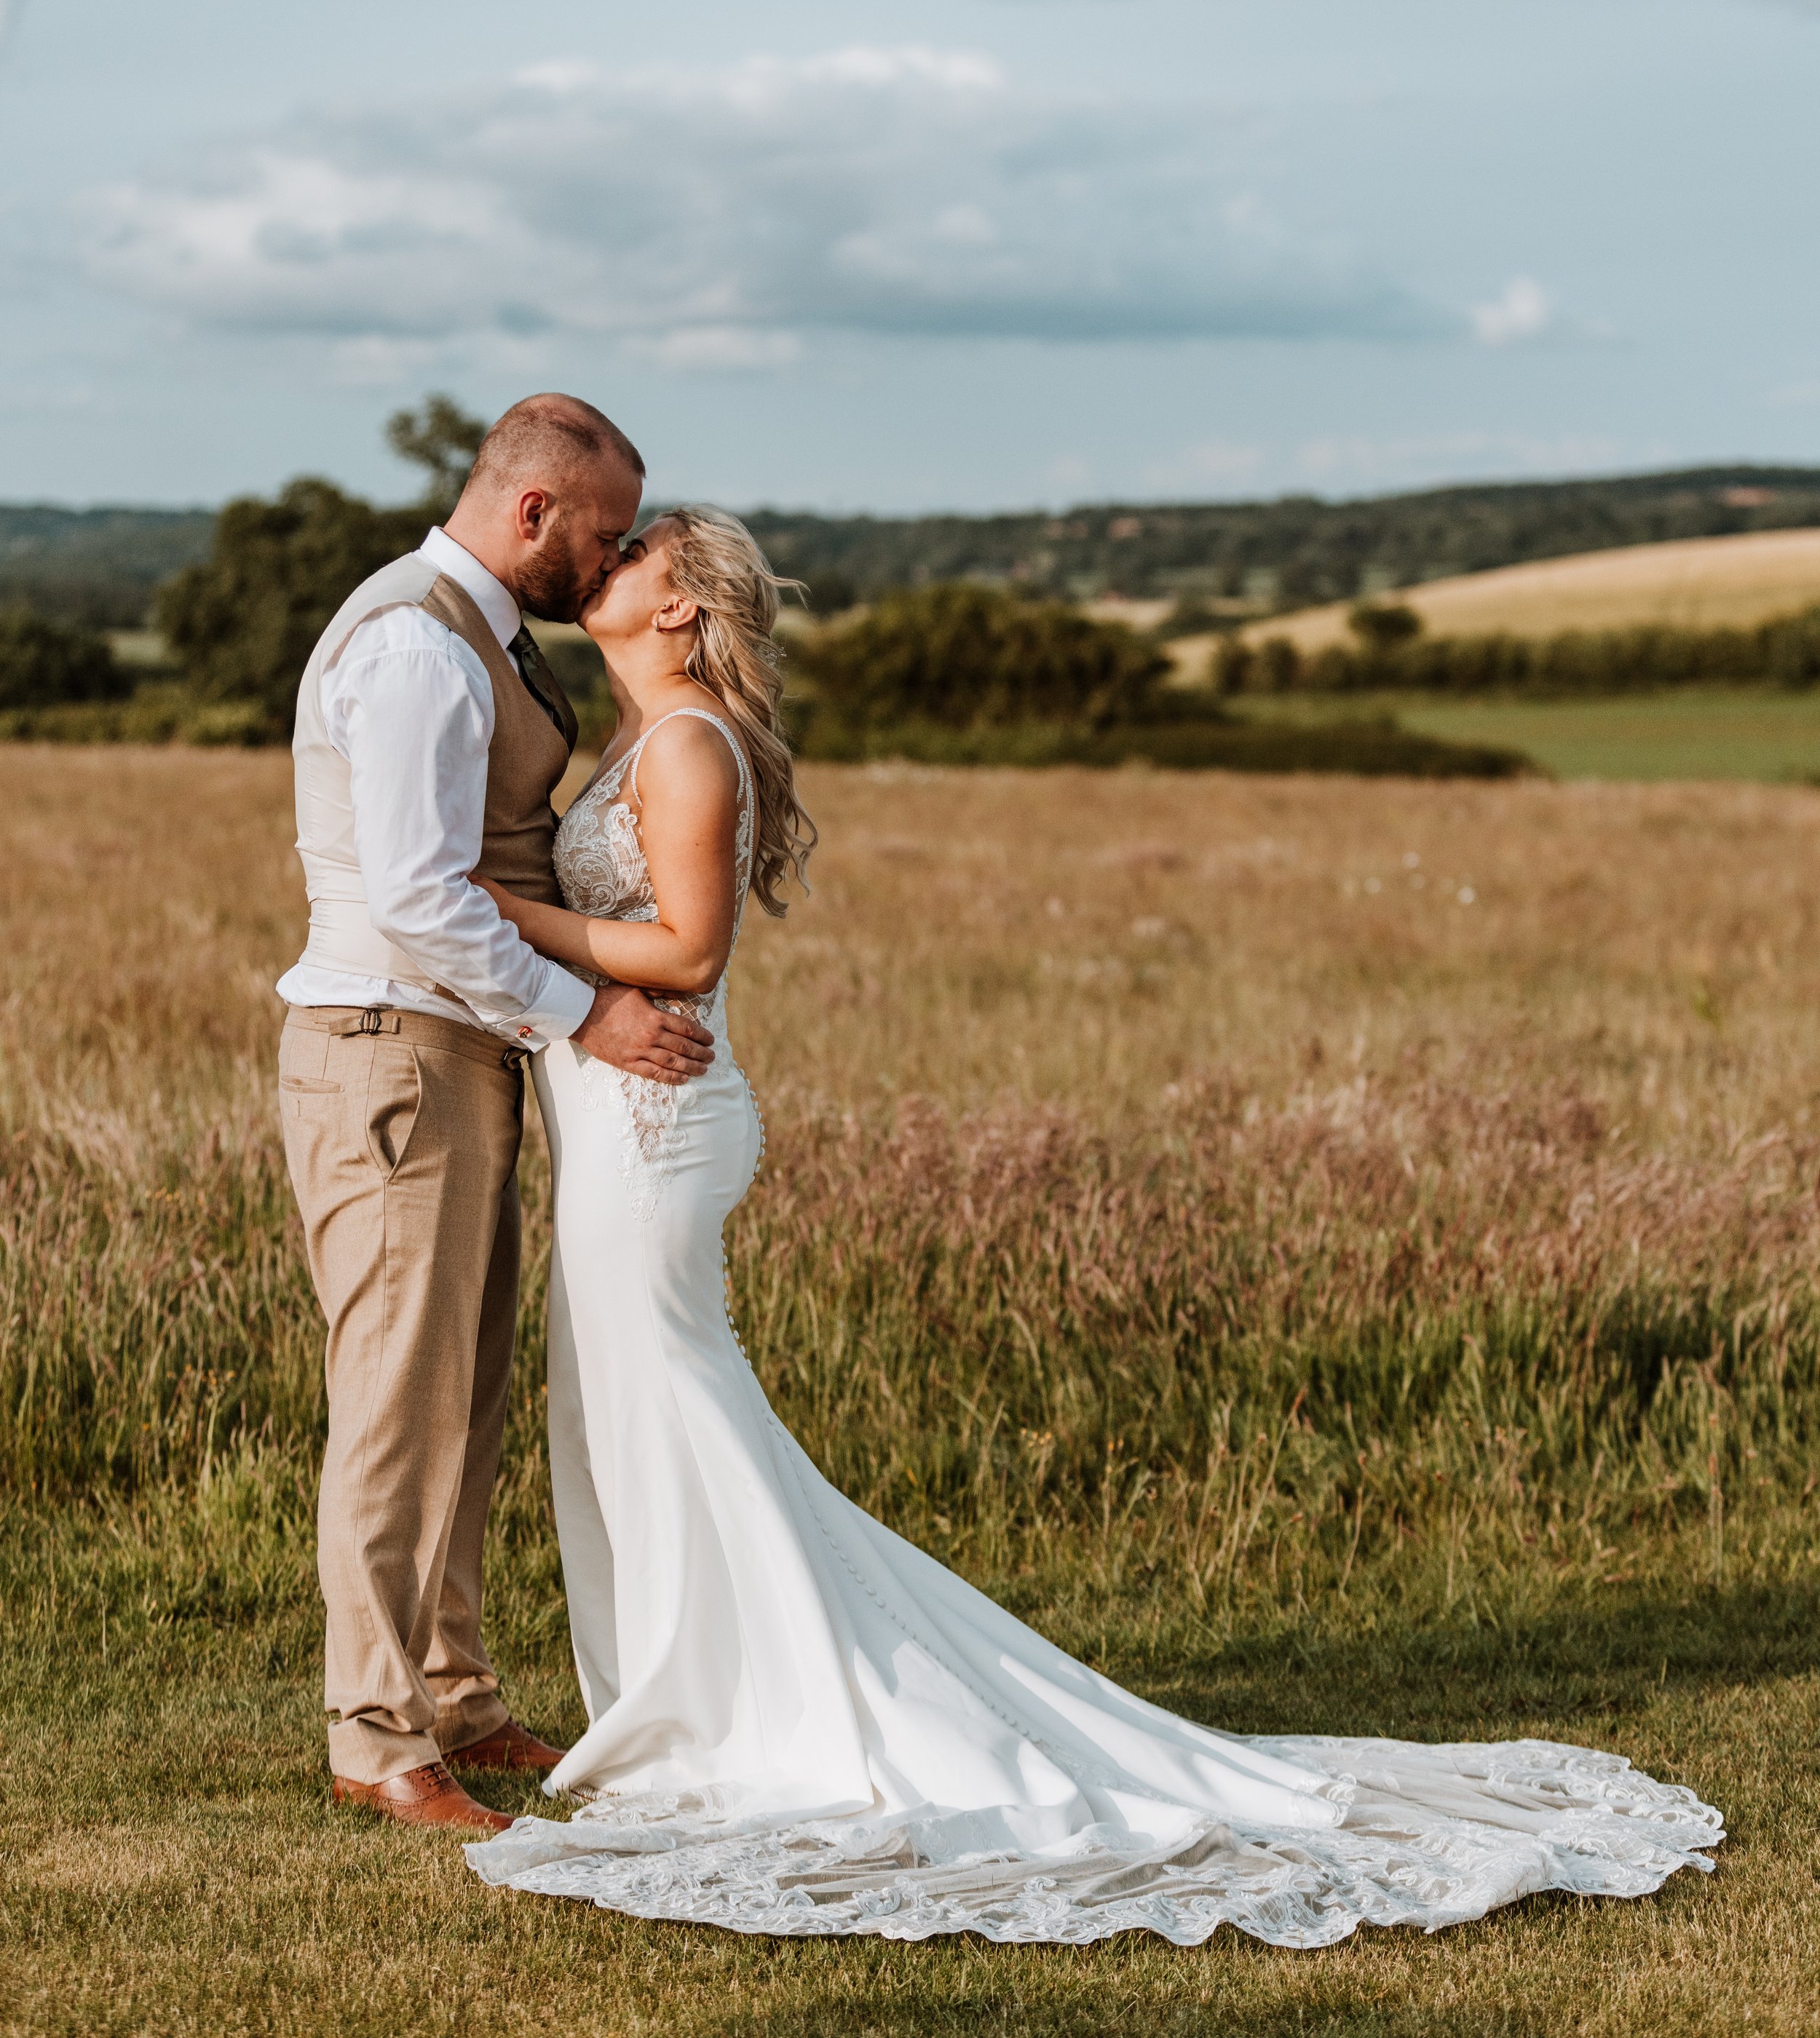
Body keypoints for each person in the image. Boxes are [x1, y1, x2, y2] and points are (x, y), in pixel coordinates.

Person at [466, 506, 1723, 1947]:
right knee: (627, 1410)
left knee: (673, 1406)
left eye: (629, 553)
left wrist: (508, 910)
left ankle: (755, 1713)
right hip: (616, 1124)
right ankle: (691, 1697)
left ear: (682, 608)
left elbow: (685, 949)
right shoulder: (636, 735)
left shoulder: (687, 743)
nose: (600, 563)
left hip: (655, 1128)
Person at [277, 393, 714, 1835]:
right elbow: (414, 896)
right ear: (531, 511)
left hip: (450, 1052)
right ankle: (374, 1730)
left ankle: (453, 1687)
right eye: (594, 535)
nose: (603, 565)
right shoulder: (415, 641)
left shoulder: (474, 632)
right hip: (390, 1052)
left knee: (460, 1384)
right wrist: (585, 1010)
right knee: (398, 1397)